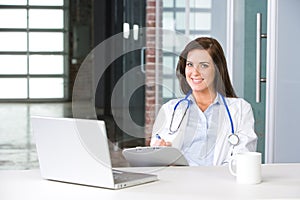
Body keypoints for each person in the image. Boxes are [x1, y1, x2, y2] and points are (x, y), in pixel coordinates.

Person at [150, 37, 257, 166]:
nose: (195, 72)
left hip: (222, 182)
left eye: (204, 65)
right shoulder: (170, 110)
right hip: (180, 182)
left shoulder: (240, 109)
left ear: (217, 69)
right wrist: (158, 152)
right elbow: (157, 154)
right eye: (190, 64)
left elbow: (243, 158)